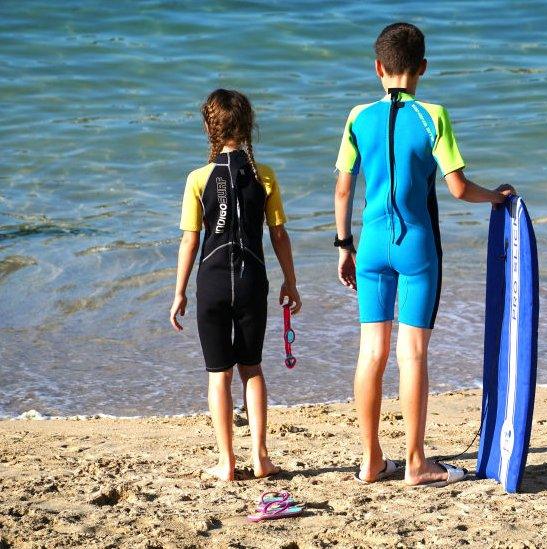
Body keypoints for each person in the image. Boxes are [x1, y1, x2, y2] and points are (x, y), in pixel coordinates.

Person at [333, 22, 514, 487]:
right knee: (411, 353)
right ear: (423, 69)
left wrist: (344, 246)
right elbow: (456, 188)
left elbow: (343, 189)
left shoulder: (357, 116)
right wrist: (495, 196)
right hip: (416, 246)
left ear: (378, 67)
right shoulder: (432, 115)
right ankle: (415, 462)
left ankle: (371, 459)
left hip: (370, 245)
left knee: (371, 352)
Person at [170, 89, 302, 481]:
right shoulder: (264, 176)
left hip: (211, 284)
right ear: (248, 127)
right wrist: (290, 281)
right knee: (252, 370)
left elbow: (190, 240)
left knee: (218, 375)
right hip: (251, 281)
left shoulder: (198, 178)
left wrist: (179, 292)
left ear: (209, 127)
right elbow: (279, 234)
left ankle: (227, 462)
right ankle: (260, 458)